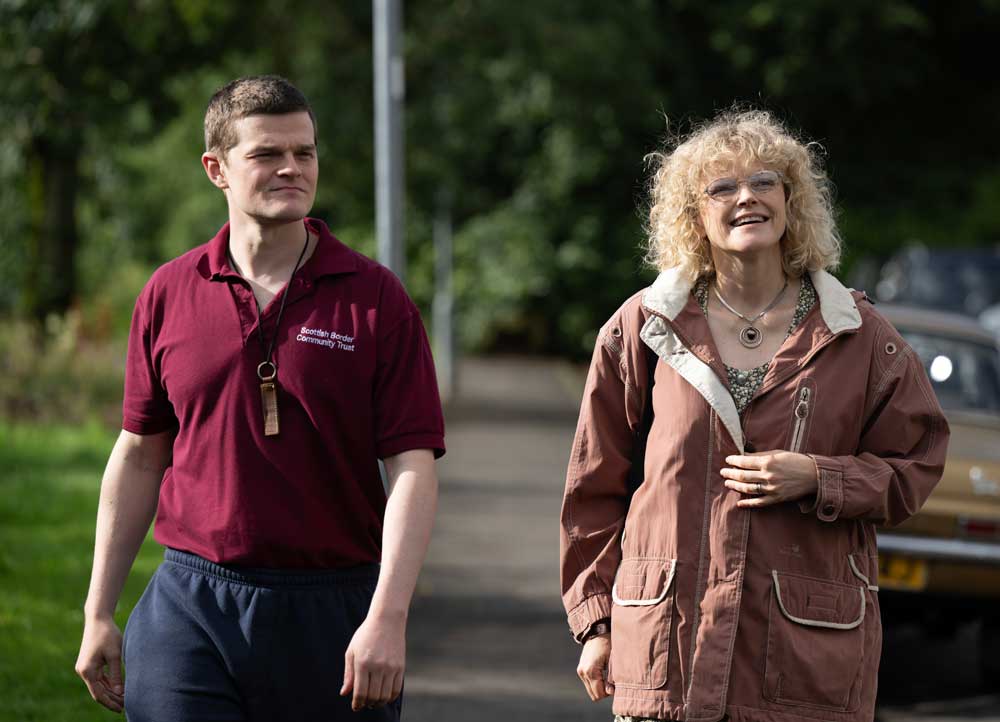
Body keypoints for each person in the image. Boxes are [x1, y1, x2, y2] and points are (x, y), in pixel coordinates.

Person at [74, 75, 444, 721]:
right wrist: (98, 611)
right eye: (267, 154)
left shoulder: (375, 299)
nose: (291, 168)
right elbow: (139, 455)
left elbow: (411, 466)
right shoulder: (169, 292)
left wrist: (388, 616)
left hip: (334, 609)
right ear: (216, 169)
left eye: (305, 152)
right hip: (191, 601)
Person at [560, 109, 949, 722]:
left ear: (790, 202)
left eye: (764, 181)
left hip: (803, 665)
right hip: (668, 657)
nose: (747, 197)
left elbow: (916, 465)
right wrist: (597, 623)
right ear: (694, 215)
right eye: (723, 187)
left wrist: (820, 478)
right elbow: (592, 489)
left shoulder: (859, 333)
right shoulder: (644, 326)